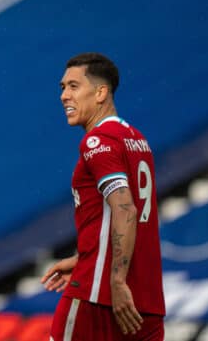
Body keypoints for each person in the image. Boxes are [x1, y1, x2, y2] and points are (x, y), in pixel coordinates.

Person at [41, 53, 166, 340]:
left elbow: (125, 209)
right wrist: (83, 257)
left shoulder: (97, 141)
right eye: (62, 88)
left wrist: (117, 280)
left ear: (100, 92)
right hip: (146, 299)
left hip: (101, 296)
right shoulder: (136, 139)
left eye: (73, 86)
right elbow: (118, 215)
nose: (64, 96)